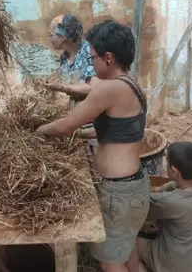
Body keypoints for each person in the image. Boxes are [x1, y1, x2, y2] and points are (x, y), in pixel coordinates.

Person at [37, 19, 150, 272]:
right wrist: (80, 136)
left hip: (118, 195)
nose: (91, 63)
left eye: (93, 57)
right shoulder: (133, 85)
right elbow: (115, 132)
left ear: (108, 58)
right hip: (136, 186)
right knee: (128, 251)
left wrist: (38, 130)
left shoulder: (108, 89)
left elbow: (67, 125)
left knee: (110, 261)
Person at [135, 142, 192, 272]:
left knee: (128, 247)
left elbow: (139, 209)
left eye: (167, 164)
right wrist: (163, 188)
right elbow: (174, 185)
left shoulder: (170, 202)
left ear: (174, 171)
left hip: (178, 266)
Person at [45, 13, 98, 100]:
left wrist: (61, 87)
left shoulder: (88, 51)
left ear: (63, 36)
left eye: (51, 35)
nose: (49, 39)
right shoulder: (64, 56)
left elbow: (92, 88)